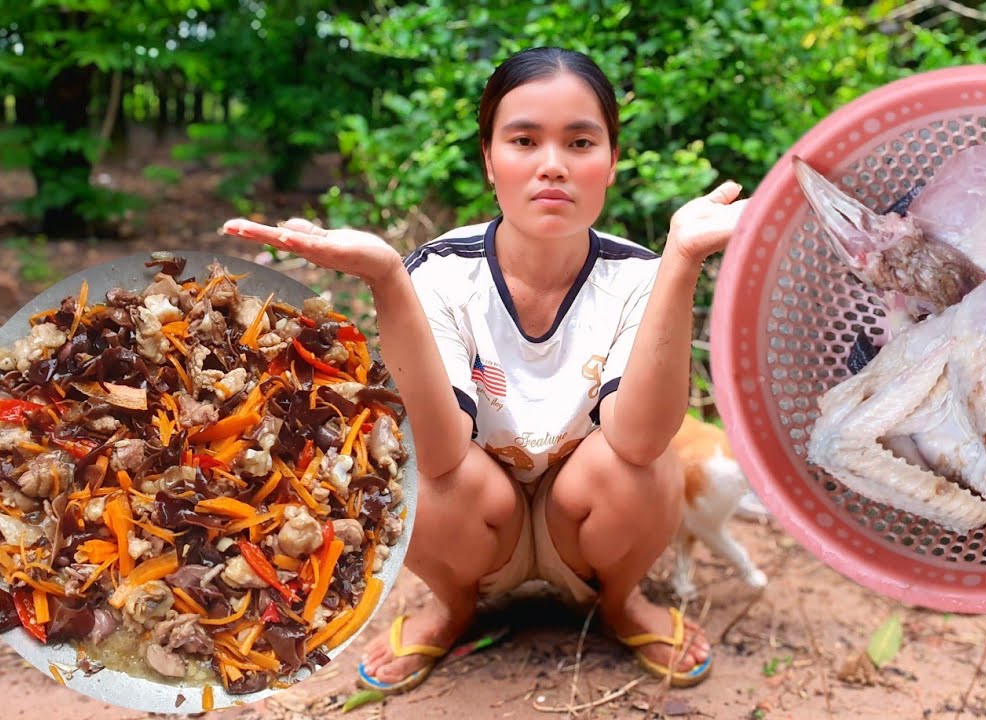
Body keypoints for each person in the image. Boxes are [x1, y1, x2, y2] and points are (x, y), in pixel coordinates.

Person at [222, 46, 747, 694]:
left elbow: (638, 438)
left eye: (580, 142)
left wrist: (683, 261)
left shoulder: (642, 274)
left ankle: (618, 603)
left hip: (583, 523)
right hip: (479, 521)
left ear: (610, 162)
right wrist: (389, 278)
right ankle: (454, 606)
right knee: (414, 469)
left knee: (641, 464)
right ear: (490, 161)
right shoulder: (441, 272)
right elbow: (439, 455)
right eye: (524, 140)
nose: (552, 165)